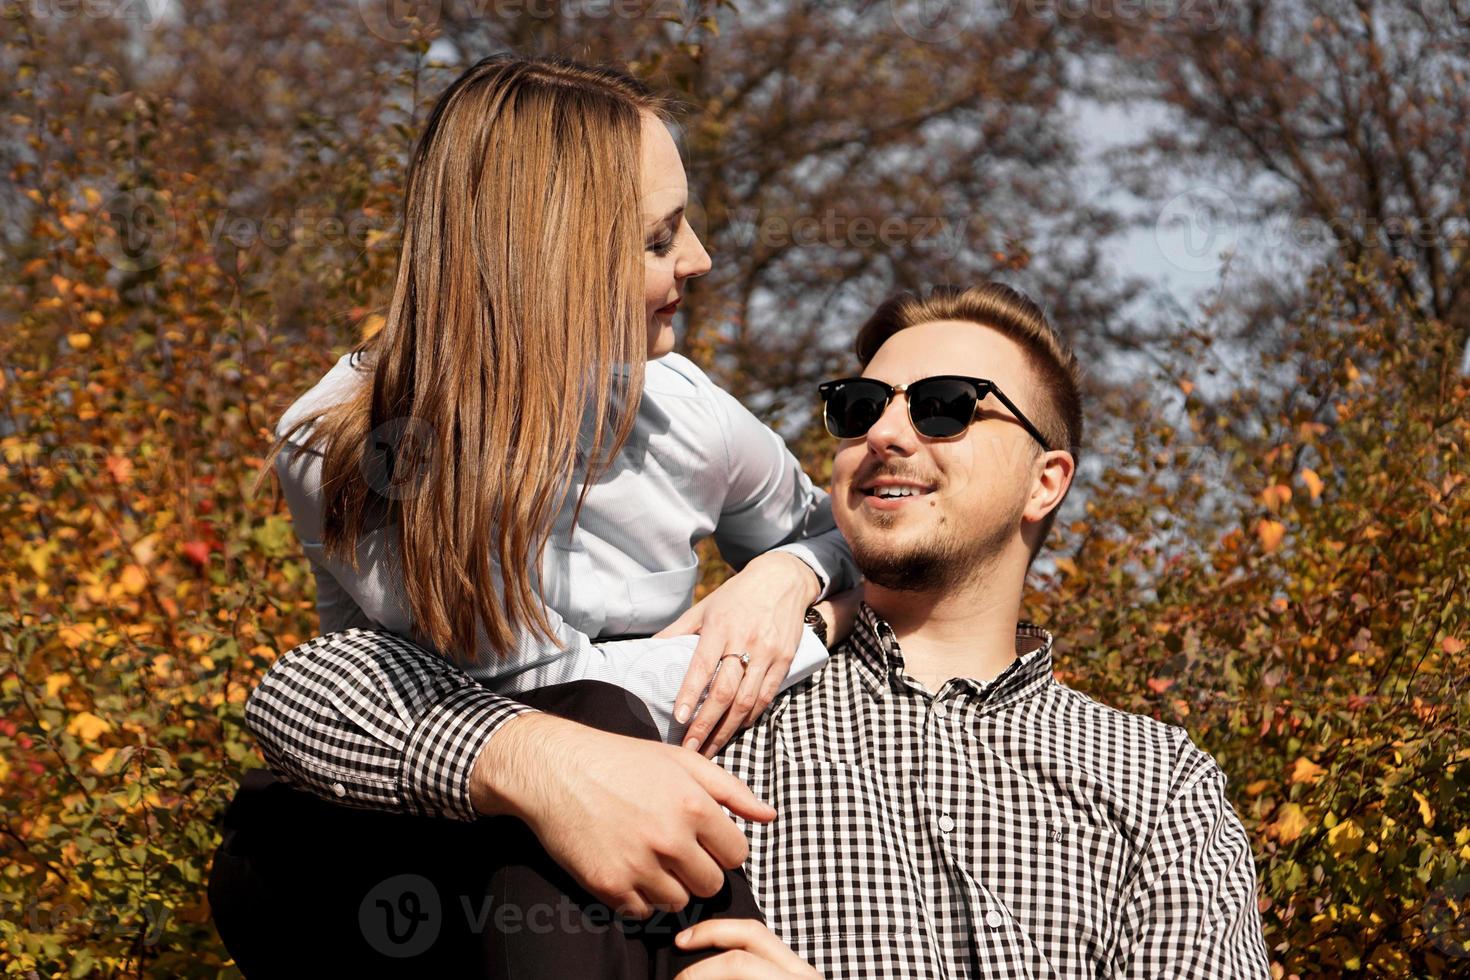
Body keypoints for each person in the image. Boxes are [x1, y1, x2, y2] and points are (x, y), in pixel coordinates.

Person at [208, 53, 859, 977]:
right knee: (593, 722)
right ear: (544, 258)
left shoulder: (686, 411)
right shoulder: (358, 446)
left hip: (564, 855)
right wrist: (795, 641)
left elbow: (850, 538)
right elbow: (540, 704)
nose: (701, 259)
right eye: (658, 238)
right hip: (390, 828)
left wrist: (787, 580)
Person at [677, 283, 1274, 978]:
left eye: (944, 406)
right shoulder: (715, 696)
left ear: (1044, 482)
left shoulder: (1157, 786)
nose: (884, 434)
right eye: (860, 407)